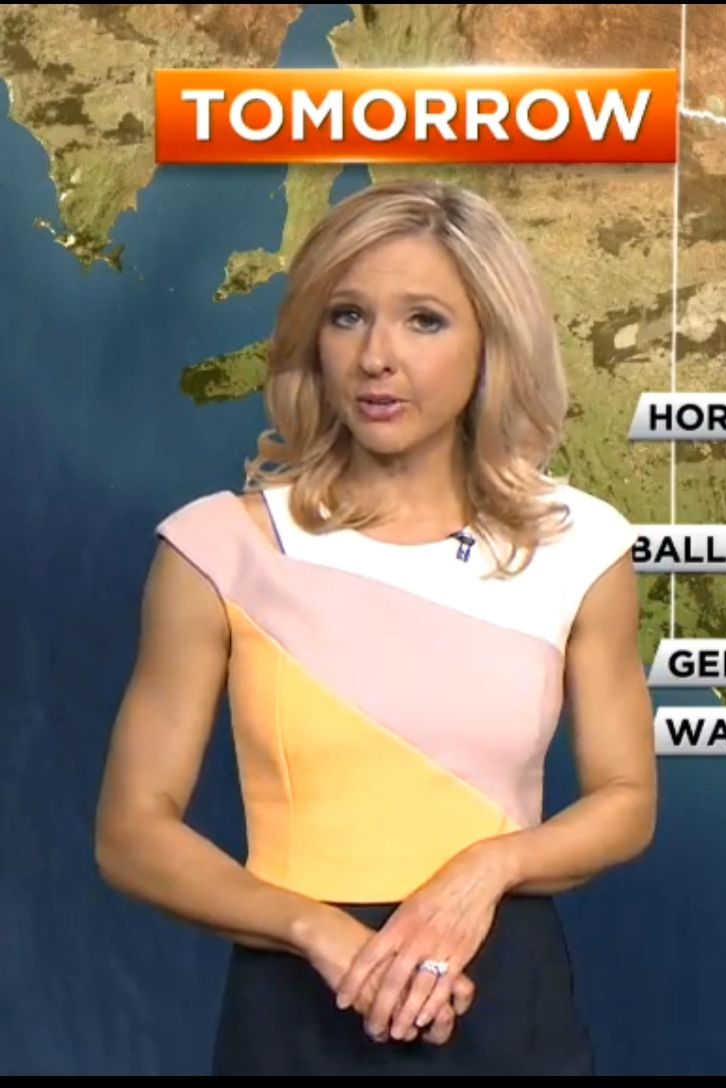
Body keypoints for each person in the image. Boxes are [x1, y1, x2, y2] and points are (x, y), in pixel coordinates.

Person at [93, 179, 657, 1074]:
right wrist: (320, 935)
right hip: (294, 1000)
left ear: (491, 341)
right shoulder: (217, 547)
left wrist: (484, 869)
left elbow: (626, 799)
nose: (376, 357)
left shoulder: (579, 544)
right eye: (347, 316)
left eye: (424, 321)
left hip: (502, 996)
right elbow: (131, 832)